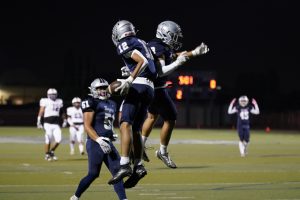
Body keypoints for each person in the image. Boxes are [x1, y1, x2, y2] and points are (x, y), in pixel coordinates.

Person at [141, 20, 209, 168]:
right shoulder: (158, 46)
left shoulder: (157, 44)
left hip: (150, 87)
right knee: (171, 118)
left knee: (152, 116)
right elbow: (161, 71)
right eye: (174, 36)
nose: (176, 39)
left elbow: (174, 55)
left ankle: (139, 146)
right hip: (157, 89)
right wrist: (179, 63)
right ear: (165, 34)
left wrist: (195, 52)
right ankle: (162, 152)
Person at [108, 19, 164, 189]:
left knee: (124, 124)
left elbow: (142, 61)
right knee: (136, 129)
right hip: (150, 88)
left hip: (138, 85)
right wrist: (130, 71)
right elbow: (153, 68)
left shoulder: (124, 43)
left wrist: (130, 79)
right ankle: (138, 166)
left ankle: (124, 164)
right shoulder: (142, 42)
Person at [70, 78, 127, 200]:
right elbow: (87, 126)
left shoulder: (112, 103)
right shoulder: (91, 101)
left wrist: (111, 134)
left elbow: (106, 123)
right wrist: (99, 140)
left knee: (118, 173)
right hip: (95, 142)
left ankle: (123, 199)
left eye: (104, 87)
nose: (102, 90)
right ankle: (75, 196)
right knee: (93, 174)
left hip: (108, 142)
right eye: (99, 88)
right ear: (93, 89)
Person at [37, 88, 67, 161]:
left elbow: (62, 112)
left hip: (56, 124)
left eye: (54, 94)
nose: (53, 96)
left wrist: (65, 120)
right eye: (51, 95)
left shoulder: (59, 101)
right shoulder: (45, 101)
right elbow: (41, 111)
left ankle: (51, 151)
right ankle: (47, 154)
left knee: (59, 139)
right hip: (47, 123)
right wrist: (38, 121)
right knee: (48, 139)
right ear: (48, 95)